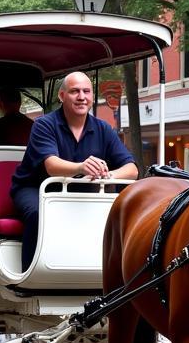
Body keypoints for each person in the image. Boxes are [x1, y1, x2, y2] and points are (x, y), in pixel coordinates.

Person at [10, 71, 137, 273]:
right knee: (37, 213)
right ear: (62, 96)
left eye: (86, 91)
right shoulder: (44, 124)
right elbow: (52, 166)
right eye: (74, 91)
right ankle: (30, 273)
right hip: (36, 189)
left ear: (92, 97)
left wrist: (107, 175)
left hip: (80, 190)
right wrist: (81, 167)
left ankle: (103, 273)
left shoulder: (104, 129)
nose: (81, 97)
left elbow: (132, 170)